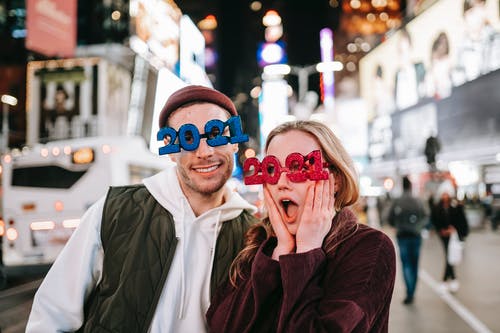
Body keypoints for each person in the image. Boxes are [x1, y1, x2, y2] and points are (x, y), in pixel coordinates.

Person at [26, 85, 258, 332]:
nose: (205, 152)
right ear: (171, 150)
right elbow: (51, 316)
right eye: (188, 139)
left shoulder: (254, 237)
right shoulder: (115, 210)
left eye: (216, 135)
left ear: (234, 142)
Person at [207, 120, 396, 332]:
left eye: (299, 167)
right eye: (271, 169)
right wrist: (278, 255)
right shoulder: (258, 242)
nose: (282, 182)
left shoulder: (369, 247)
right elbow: (223, 325)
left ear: (337, 181)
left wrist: (307, 252)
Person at [387, 176, 428, 305]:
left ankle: (409, 292)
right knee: (415, 264)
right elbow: (426, 216)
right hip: (416, 235)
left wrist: (396, 225)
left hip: (402, 236)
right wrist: (419, 227)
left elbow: (389, 217)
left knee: (406, 265)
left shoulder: (397, 201)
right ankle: (412, 291)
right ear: (410, 186)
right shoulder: (418, 200)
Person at [430, 188, 469, 293]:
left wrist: (453, 229)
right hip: (443, 235)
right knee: (449, 255)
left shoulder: (455, 206)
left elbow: (460, 220)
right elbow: (434, 219)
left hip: (452, 235)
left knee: (449, 255)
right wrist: (441, 230)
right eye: (444, 194)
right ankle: (452, 280)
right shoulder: (437, 208)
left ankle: (447, 280)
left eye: (447, 194)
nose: (445, 196)